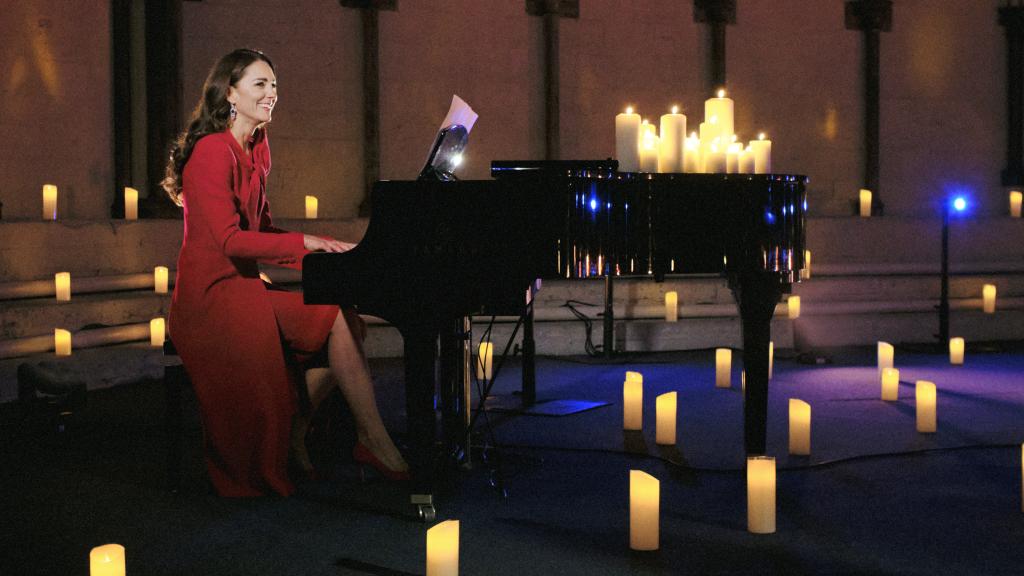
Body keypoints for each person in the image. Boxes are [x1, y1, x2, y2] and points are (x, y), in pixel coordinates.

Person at [162, 48, 407, 497]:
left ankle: (362, 438)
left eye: (274, 85)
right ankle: (306, 431)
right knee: (324, 330)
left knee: (343, 321)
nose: (272, 93)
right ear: (229, 93)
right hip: (210, 300)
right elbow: (231, 241)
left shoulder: (257, 147)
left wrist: (323, 247)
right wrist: (304, 244)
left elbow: (262, 228)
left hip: (245, 288)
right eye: (260, 84)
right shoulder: (211, 153)